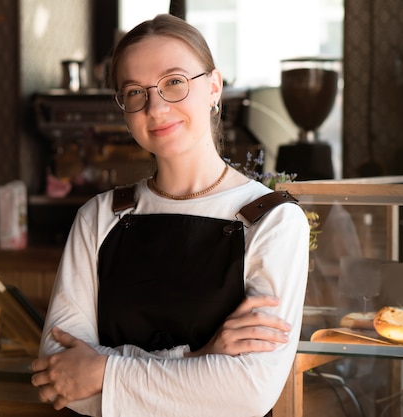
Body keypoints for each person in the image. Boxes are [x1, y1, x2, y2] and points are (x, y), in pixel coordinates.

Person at [30, 13, 310, 417]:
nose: (156, 107)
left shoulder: (273, 221)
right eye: (135, 92)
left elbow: (247, 392)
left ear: (213, 88)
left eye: (174, 83)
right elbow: (63, 381)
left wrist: (102, 369)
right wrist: (199, 358)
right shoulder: (98, 216)